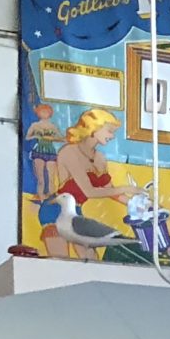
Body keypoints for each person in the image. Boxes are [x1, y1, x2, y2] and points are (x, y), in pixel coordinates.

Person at [41, 108, 135, 260]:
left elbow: (112, 192)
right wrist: (127, 188)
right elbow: (89, 191)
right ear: (94, 128)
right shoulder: (69, 152)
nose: (112, 136)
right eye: (109, 131)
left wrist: (138, 204)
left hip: (76, 213)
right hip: (55, 210)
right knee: (61, 262)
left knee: (92, 262)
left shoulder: (100, 158)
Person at [25, 101, 63, 199]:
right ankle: (41, 196)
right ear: (38, 113)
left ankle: (51, 196)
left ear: (50, 113)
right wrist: (35, 135)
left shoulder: (53, 126)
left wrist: (52, 139)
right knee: (40, 178)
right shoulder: (35, 125)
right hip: (39, 151)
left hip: (50, 152)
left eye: (46, 112)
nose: (44, 114)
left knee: (51, 177)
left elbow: (62, 139)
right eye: (42, 112)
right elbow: (27, 137)